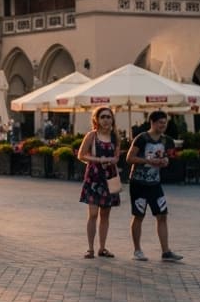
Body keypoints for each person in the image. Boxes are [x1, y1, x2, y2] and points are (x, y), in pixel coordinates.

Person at [125, 111, 182, 262]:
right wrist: (148, 161)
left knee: (162, 215)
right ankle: (137, 250)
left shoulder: (167, 140)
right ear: (152, 122)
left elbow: (168, 158)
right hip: (138, 183)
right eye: (160, 122)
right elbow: (129, 158)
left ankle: (166, 252)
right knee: (139, 215)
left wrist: (165, 162)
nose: (163, 125)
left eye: (165, 122)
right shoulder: (141, 138)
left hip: (155, 183)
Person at [77, 106, 121, 258]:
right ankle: (90, 248)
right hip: (94, 177)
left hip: (110, 177)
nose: (106, 120)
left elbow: (117, 157)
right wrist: (98, 160)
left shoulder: (115, 136)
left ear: (112, 119)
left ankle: (102, 248)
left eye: (108, 117)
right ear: (96, 119)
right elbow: (81, 155)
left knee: (105, 215)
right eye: (102, 117)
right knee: (93, 214)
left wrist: (111, 160)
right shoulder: (91, 136)